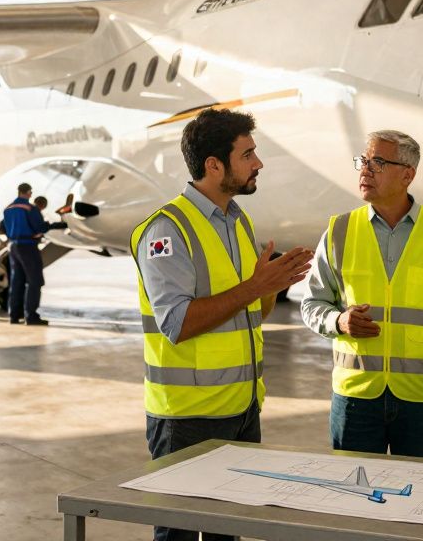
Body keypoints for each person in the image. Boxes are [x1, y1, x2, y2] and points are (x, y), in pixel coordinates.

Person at [132, 108, 313, 541]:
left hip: (241, 409)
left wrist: (270, 285)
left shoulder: (237, 221)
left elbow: (252, 314)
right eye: (248, 154)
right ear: (214, 165)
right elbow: (176, 322)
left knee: (226, 531)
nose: (258, 163)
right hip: (188, 419)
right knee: (177, 534)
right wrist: (255, 286)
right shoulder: (167, 230)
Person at [301, 130, 423, 459]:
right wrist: (339, 320)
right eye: (364, 161)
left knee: (422, 497)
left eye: (378, 162)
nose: (365, 170)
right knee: (354, 499)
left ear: (407, 174)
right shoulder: (339, 231)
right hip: (356, 398)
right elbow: (312, 303)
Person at [2, 183, 66, 325]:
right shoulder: (30, 209)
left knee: (16, 281)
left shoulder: (8, 209)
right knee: (34, 281)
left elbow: (2, 228)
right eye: (30, 192)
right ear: (28, 192)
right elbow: (40, 227)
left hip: (13, 246)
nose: (31, 195)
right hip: (28, 247)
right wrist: (58, 225)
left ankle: (14, 316)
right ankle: (31, 316)